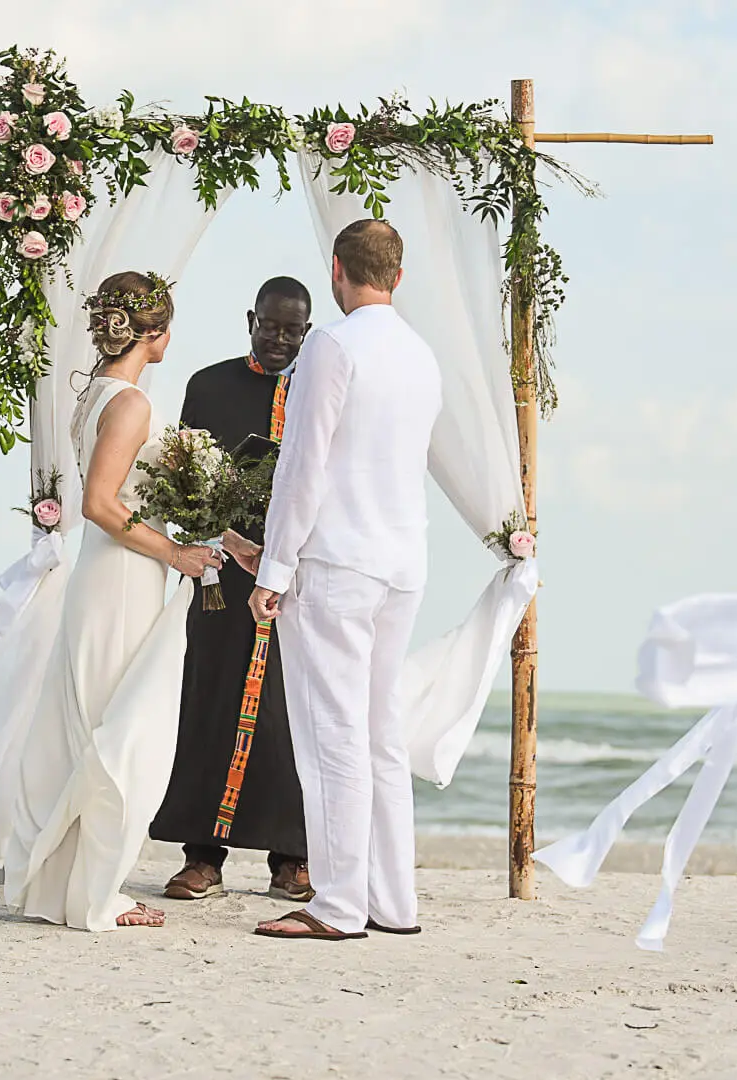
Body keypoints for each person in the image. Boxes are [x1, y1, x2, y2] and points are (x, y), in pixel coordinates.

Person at [0, 270, 225, 930]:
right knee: (124, 732)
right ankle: (97, 894)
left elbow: (135, 495)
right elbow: (100, 504)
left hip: (110, 574)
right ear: (152, 333)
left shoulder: (98, 394)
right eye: (168, 325)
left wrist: (222, 536)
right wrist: (178, 555)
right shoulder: (130, 405)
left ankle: (73, 887)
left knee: (98, 726)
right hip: (123, 579)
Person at [248, 220, 442, 940]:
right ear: (398, 276)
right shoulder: (423, 354)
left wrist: (274, 565)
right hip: (402, 563)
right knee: (380, 735)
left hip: (337, 561)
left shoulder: (332, 345)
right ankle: (393, 901)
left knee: (333, 736)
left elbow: (304, 465)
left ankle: (336, 904)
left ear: (337, 270)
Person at [150, 276, 316, 903]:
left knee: (288, 715)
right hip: (221, 575)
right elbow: (186, 481)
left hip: (296, 580)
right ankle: (202, 857)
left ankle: (292, 858)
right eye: (269, 325)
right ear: (251, 319)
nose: (278, 339)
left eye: (292, 330)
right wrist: (228, 542)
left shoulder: (319, 391)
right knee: (211, 703)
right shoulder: (209, 385)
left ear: (306, 330)